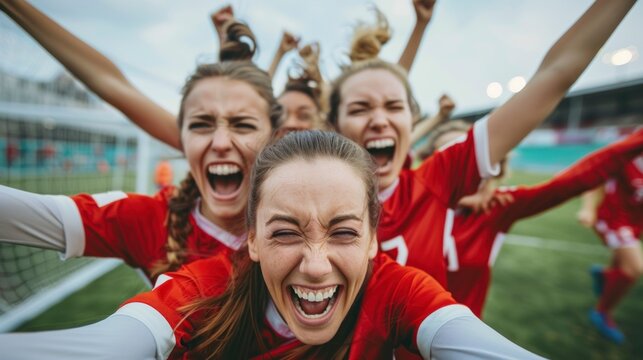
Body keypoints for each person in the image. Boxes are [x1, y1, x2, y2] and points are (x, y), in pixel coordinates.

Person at [0, 130, 544, 359]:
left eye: (344, 231)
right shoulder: (210, 283)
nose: (314, 265)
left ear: (377, 239)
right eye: (285, 232)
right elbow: (116, 343)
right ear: (253, 238)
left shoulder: (400, 292)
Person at [326, 0, 636, 288]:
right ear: (332, 125)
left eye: (394, 107)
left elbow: (556, 73)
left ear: (412, 120)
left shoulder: (435, 181)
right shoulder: (310, 196)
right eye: (359, 109)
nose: (380, 119)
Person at [0, 4, 280, 282]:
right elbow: (112, 85)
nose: (220, 142)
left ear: (275, 137)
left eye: (243, 124)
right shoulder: (151, 221)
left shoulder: (303, 217)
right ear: (180, 137)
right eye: (200, 125)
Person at [423, 126, 643, 317]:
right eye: (447, 158)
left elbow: (569, 183)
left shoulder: (499, 206)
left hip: (459, 338)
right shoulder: (405, 203)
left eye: (471, 159)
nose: (461, 169)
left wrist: (638, 140)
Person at [576, 141, 643, 343]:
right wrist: (588, 208)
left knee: (622, 267)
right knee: (635, 268)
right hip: (613, 219)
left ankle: (605, 275)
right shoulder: (628, 153)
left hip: (634, 223)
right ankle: (602, 312)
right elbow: (596, 178)